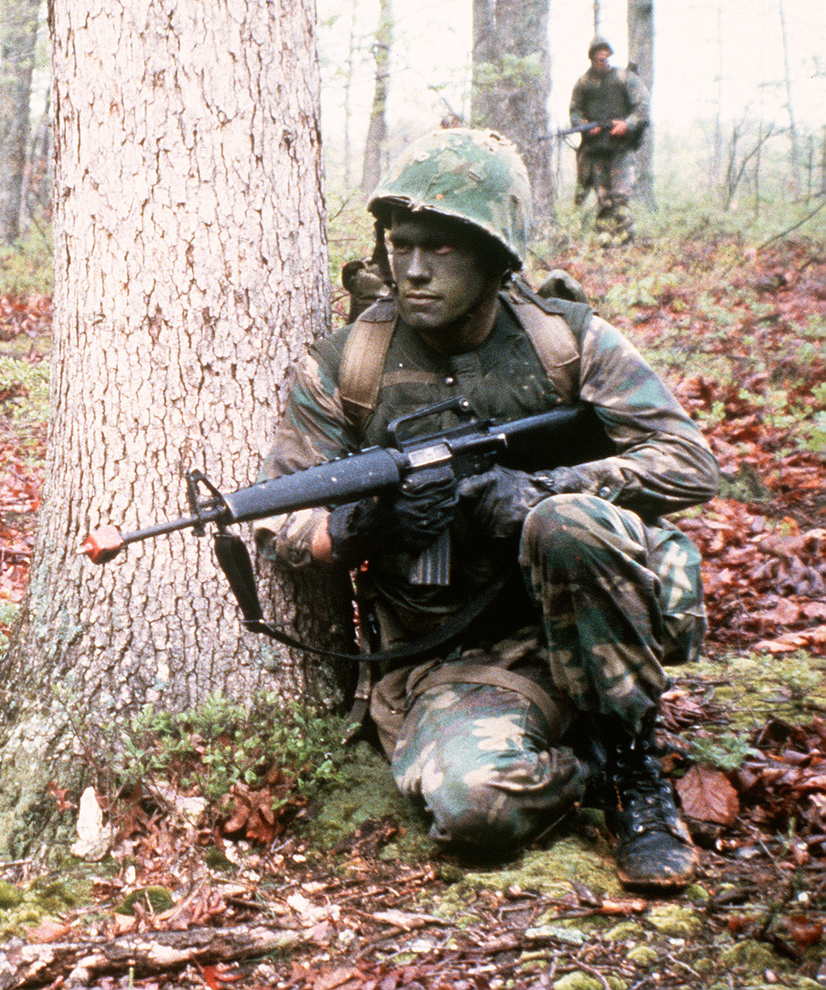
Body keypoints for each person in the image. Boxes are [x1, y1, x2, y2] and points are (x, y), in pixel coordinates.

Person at [262, 129, 717, 890]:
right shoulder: (350, 364)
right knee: (475, 808)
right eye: (401, 246)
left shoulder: (565, 342)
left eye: (440, 249)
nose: (412, 269)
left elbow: (689, 462)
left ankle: (636, 762)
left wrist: (538, 491)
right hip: (456, 658)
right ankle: (591, 760)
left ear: (495, 256)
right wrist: (356, 528)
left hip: (583, 613)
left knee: (565, 522)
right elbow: (279, 520)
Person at [568, 38, 648, 246]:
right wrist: (584, 124)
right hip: (596, 151)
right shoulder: (584, 83)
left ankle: (627, 244)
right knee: (604, 201)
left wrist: (627, 126)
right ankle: (605, 247)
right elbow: (575, 111)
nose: (602, 57)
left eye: (605, 52)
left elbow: (642, 109)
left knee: (621, 199)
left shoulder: (625, 78)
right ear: (592, 56)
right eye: (597, 53)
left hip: (621, 150)